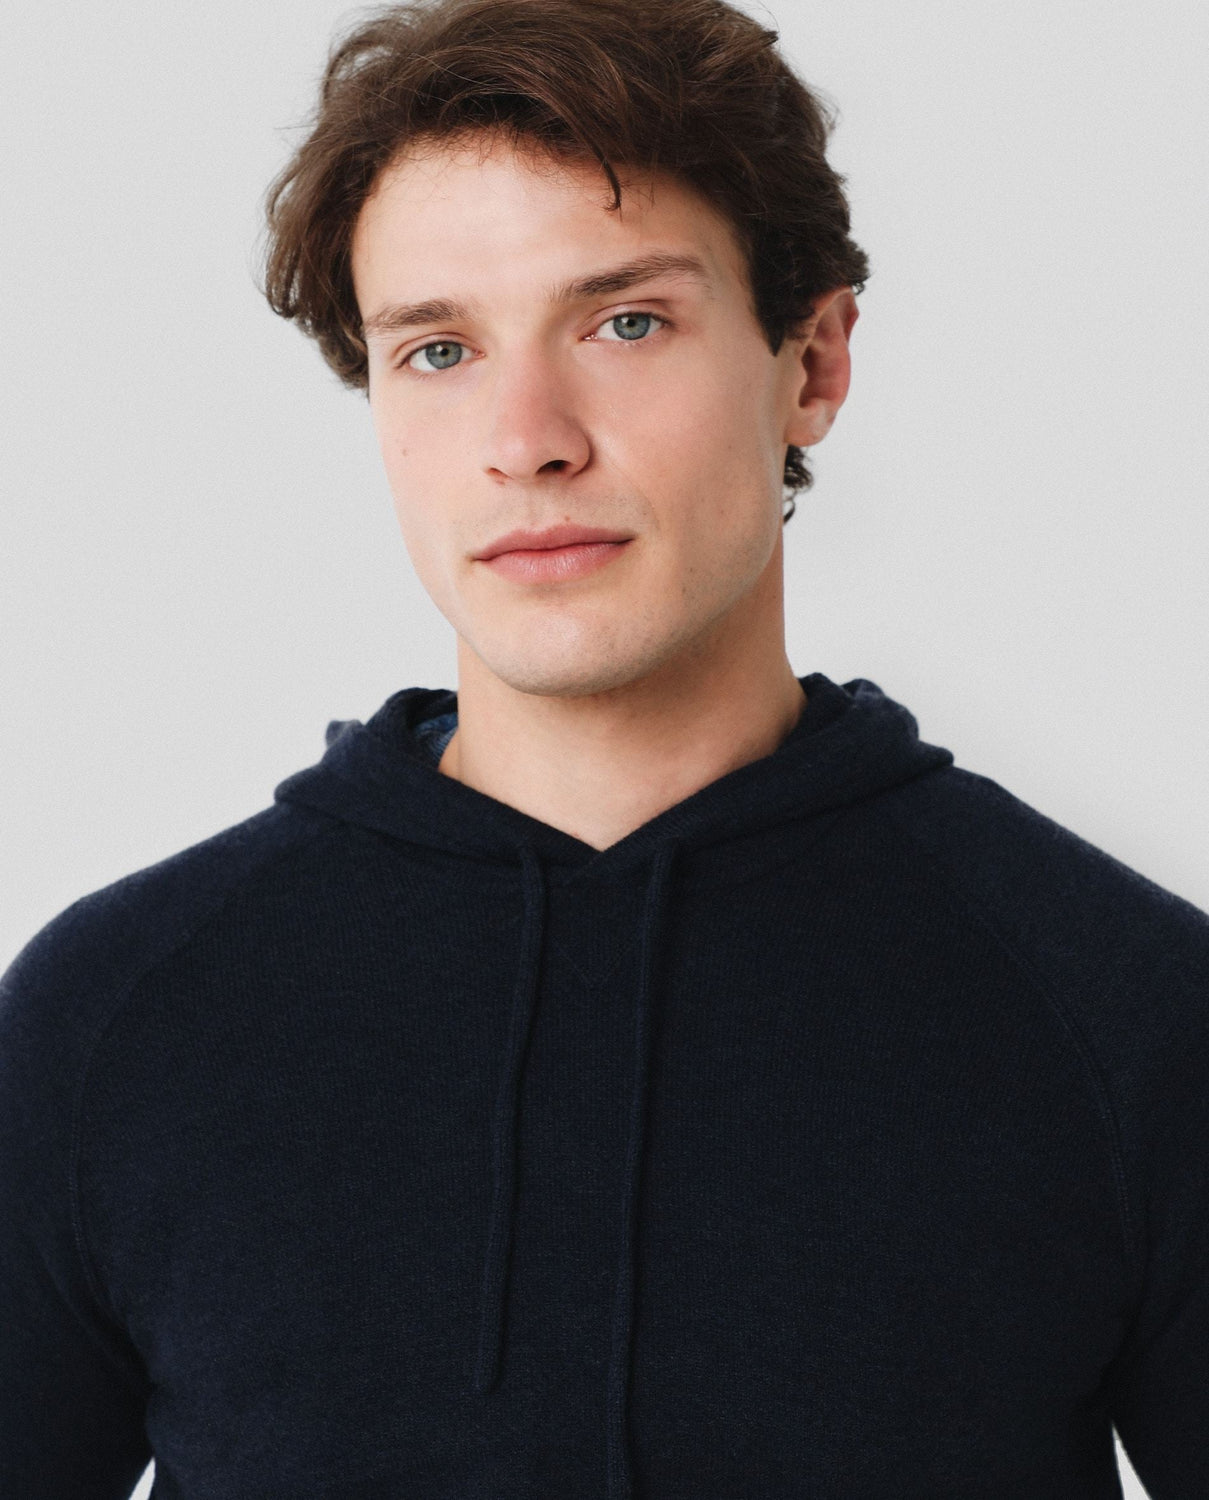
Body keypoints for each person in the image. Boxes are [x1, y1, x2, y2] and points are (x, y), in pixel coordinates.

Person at [1, 0, 1206, 1494]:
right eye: (438, 348)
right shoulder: (117, 1019)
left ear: (813, 363)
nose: (527, 437)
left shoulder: (1123, 1014)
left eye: (625, 322)